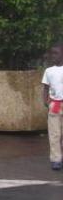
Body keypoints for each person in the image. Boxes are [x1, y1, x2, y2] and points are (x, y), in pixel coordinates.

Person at [42, 43, 63, 171]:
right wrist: (46, 102)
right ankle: (56, 159)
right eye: (51, 53)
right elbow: (45, 87)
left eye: (56, 53)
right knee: (54, 134)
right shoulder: (48, 71)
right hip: (54, 106)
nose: (53, 56)